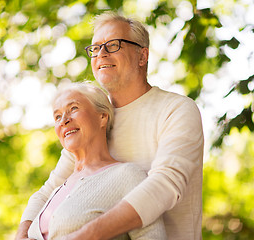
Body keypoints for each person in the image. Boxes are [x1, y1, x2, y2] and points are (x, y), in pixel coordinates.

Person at [16, 11, 204, 240]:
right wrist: (22, 235)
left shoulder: (175, 109)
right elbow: (49, 192)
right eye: (95, 48)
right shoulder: (92, 122)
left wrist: (87, 235)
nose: (101, 54)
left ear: (142, 56)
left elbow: (165, 185)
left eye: (113, 45)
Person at [26, 82, 166, 239]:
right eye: (57, 116)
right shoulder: (59, 189)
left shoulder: (127, 175)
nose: (63, 120)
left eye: (73, 109)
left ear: (102, 117)